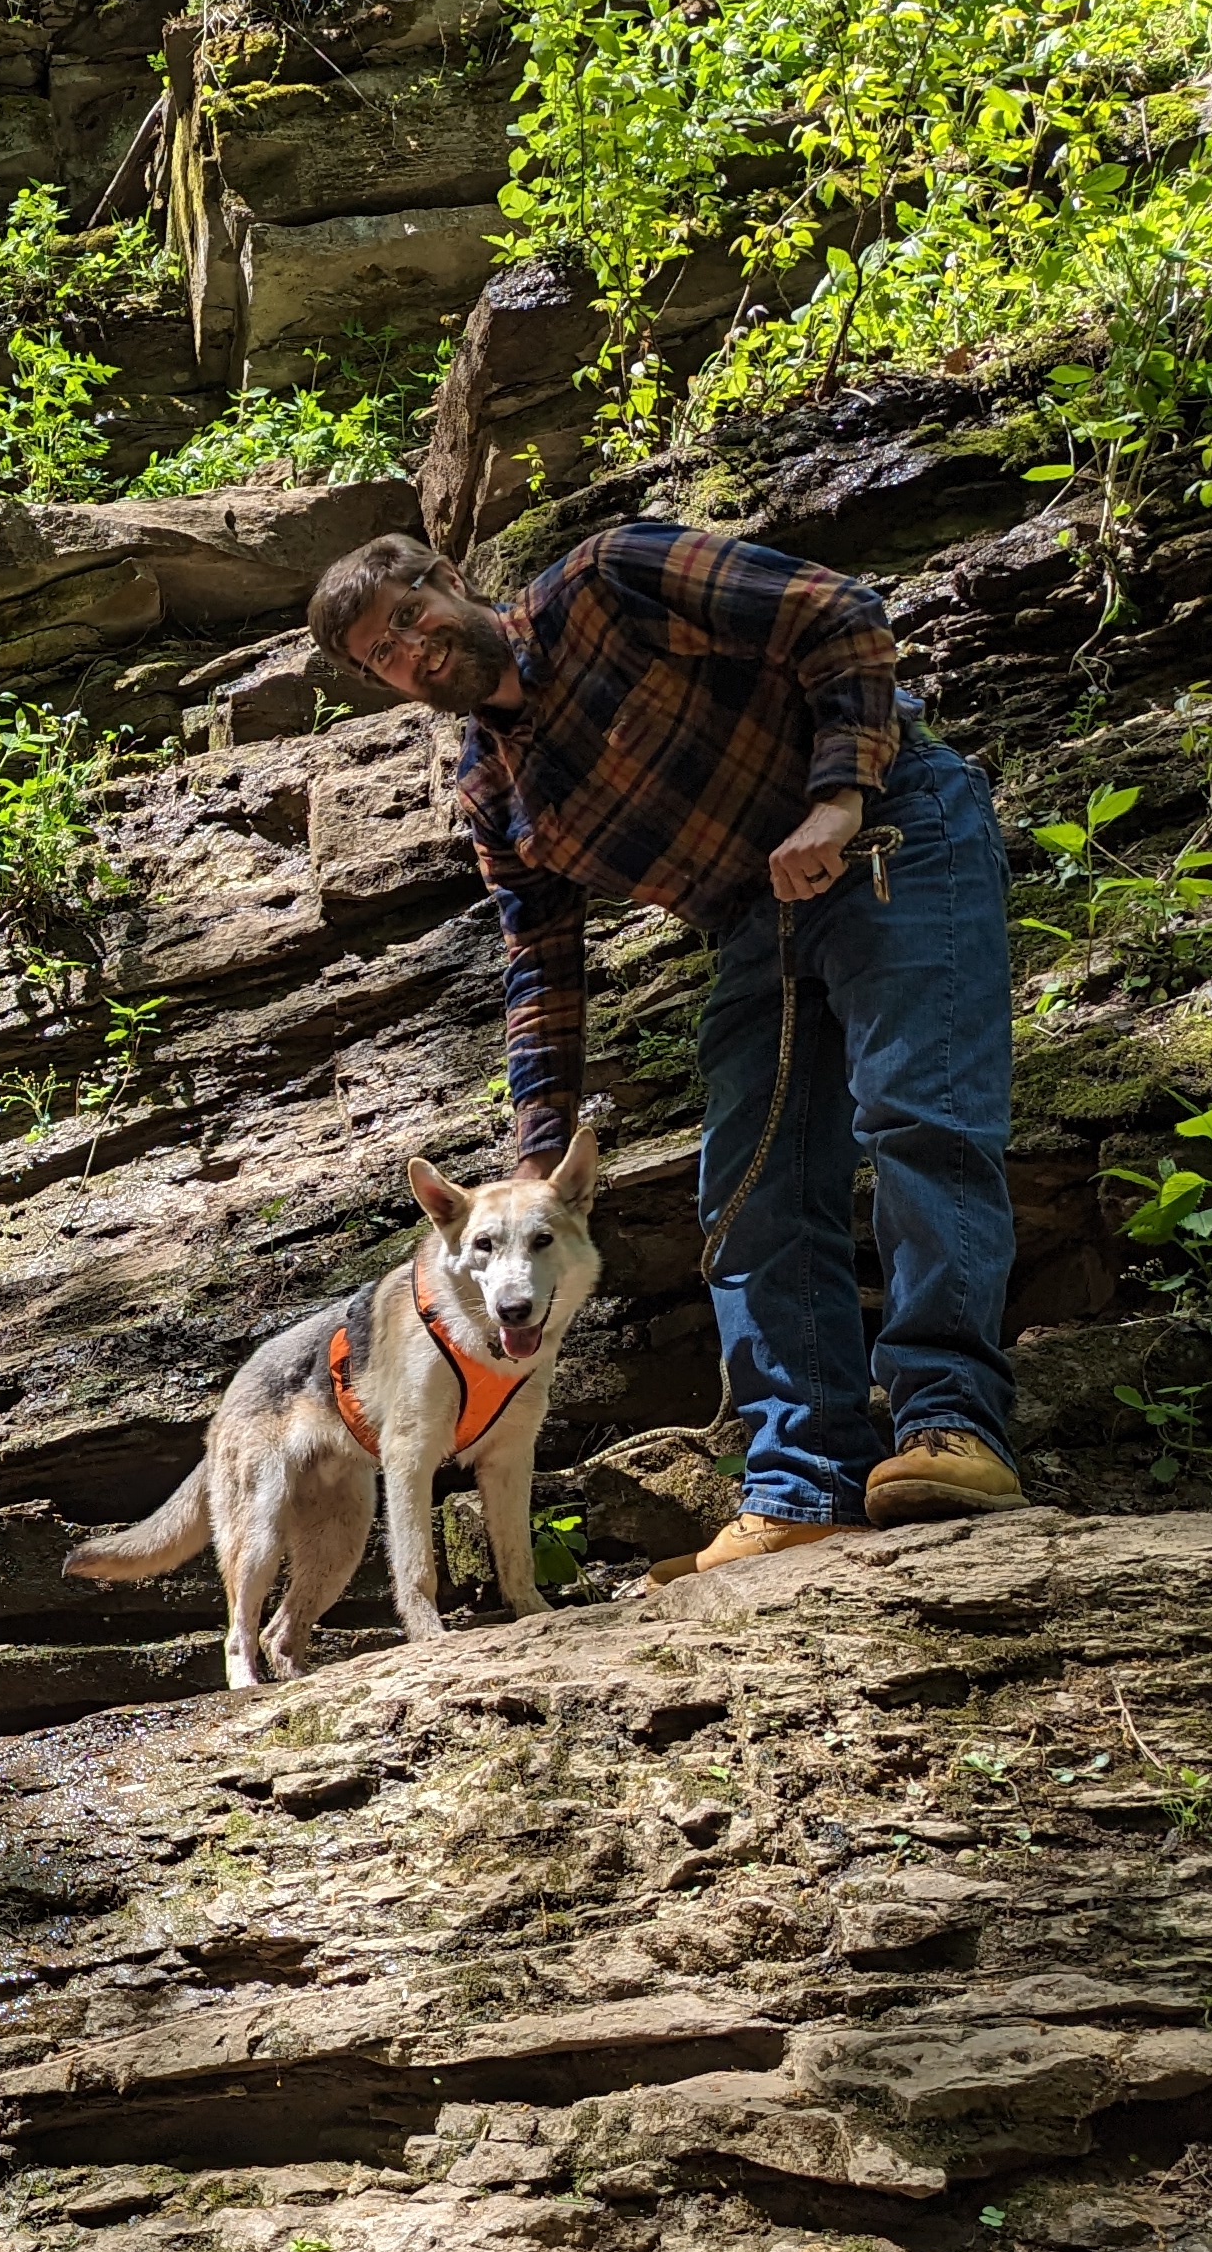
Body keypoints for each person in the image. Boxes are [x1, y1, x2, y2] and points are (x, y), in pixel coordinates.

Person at [304, 520, 1023, 1576]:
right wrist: (538, 1159)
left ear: (450, 580)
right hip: (754, 919)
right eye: (385, 656)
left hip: (891, 833)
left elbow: (839, 612)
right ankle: (805, 1480)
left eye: (410, 617)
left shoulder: (605, 583)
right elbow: (540, 971)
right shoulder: (494, 793)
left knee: (921, 1119)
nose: (413, 651)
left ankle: (951, 1429)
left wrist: (837, 795)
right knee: (747, 1194)